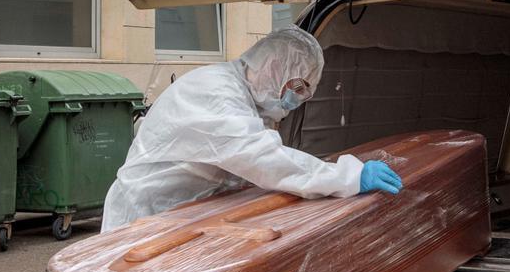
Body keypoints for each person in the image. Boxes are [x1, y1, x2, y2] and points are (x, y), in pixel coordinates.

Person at [101, 25, 403, 232]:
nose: (295, 99)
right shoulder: (215, 93)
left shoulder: (250, 100)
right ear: (274, 69)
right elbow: (263, 159)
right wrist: (348, 176)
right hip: (143, 220)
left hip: (183, 216)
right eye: (296, 87)